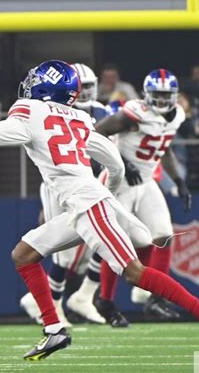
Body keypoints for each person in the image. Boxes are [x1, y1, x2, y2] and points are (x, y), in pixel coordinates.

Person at [0, 60, 199, 361]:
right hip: (87, 203)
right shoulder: (78, 118)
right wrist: (109, 190)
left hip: (87, 204)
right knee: (23, 254)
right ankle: (54, 328)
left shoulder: (29, 112)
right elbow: (113, 159)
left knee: (134, 272)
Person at [19, 63, 128, 328]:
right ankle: (51, 304)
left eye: (90, 86)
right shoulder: (55, 110)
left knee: (107, 237)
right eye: (83, 86)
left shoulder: (102, 111)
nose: (86, 92)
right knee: (64, 255)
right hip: (61, 185)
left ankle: (81, 297)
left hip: (88, 184)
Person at [94, 69, 192, 321]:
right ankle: (105, 301)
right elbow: (96, 133)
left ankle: (155, 300)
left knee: (163, 235)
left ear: (174, 96)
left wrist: (179, 180)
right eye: (156, 94)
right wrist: (125, 161)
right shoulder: (133, 113)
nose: (160, 100)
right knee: (117, 243)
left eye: (165, 95)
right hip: (119, 181)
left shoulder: (176, 115)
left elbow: (164, 149)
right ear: (147, 95)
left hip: (145, 181)